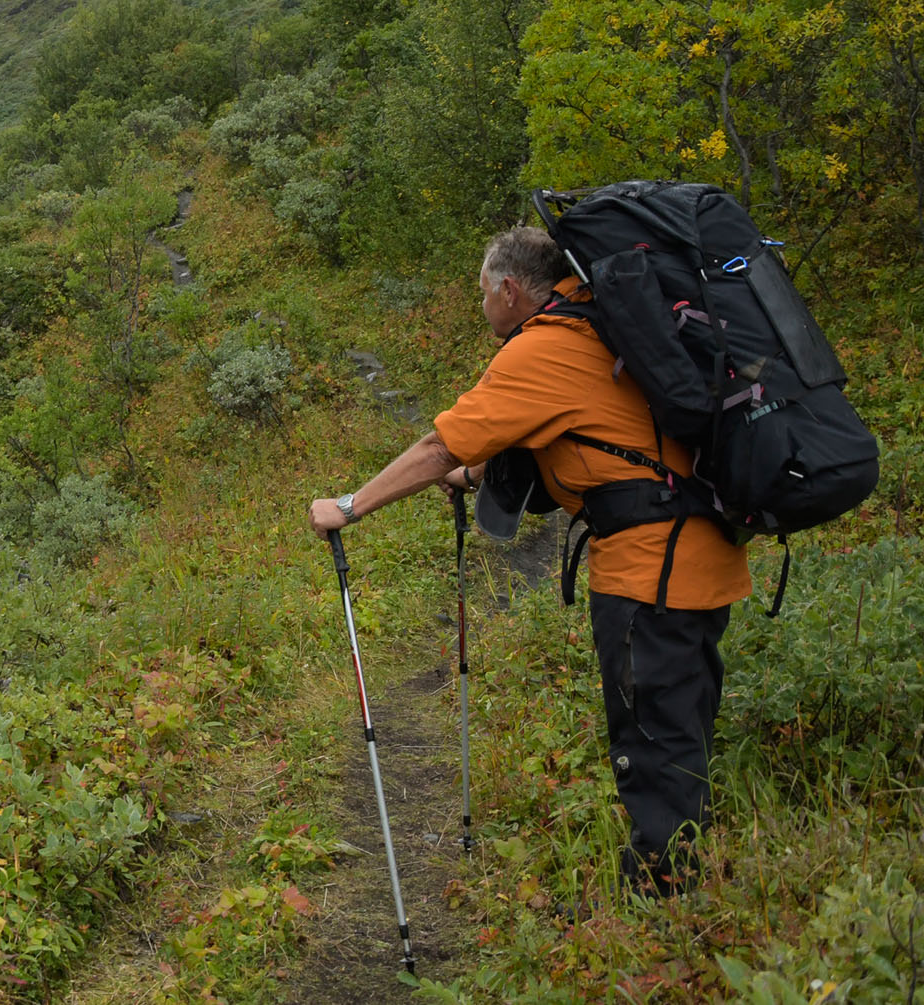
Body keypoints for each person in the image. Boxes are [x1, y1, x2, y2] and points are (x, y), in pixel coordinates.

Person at [307, 225, 749, 894]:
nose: (481, 305)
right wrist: (480, 473)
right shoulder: (597, 327)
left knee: (653, 750)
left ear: (510, 290)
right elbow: (583, 429)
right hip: (700, 554)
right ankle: (686, 892)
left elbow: (438, 447)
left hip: (649, 571)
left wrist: (350, 504)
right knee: (679, 738)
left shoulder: (545, 348)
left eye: (482, 293)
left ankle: (664, 922)